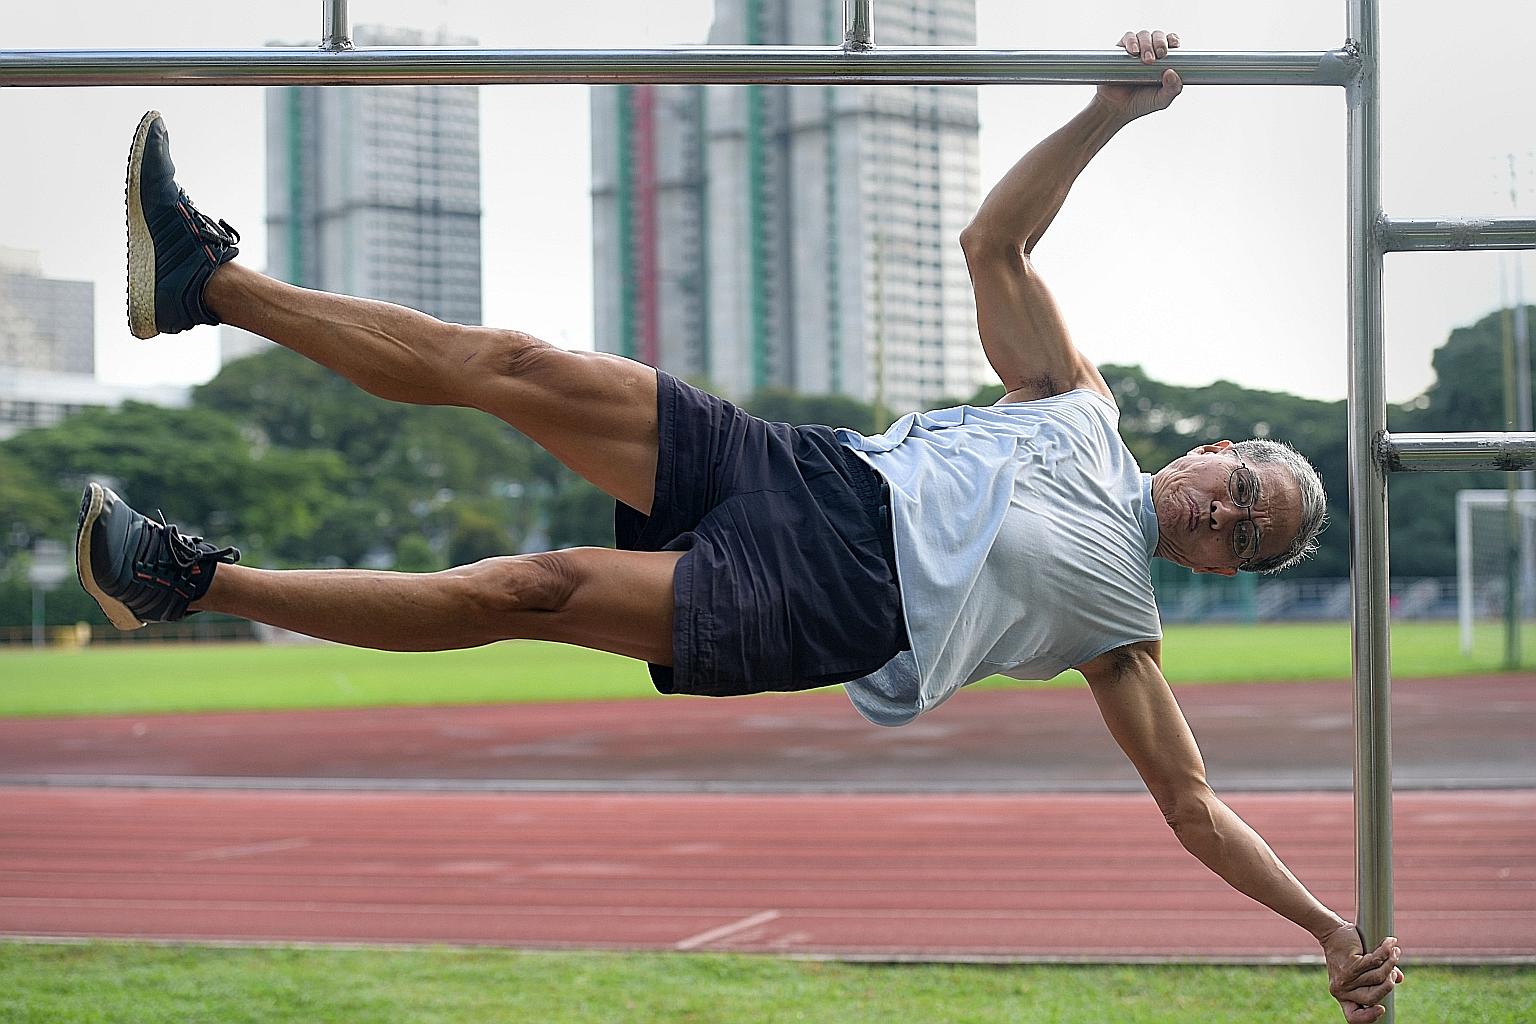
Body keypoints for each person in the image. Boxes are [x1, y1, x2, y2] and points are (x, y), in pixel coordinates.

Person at [76, 30, 1403, 1021]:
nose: (1223, 510)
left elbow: (1194, 805)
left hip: (833, 600)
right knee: (518, 363)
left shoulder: (1124, 632)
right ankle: (208, 282)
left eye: (1245, 531)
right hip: (812, 468)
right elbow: (995, 243)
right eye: (1239, 484)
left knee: (527, 590)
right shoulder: (1075, 402)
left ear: (1220, 561)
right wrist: (1108, 114)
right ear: (1214, 446)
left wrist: (1328, 924)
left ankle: (192, 582)